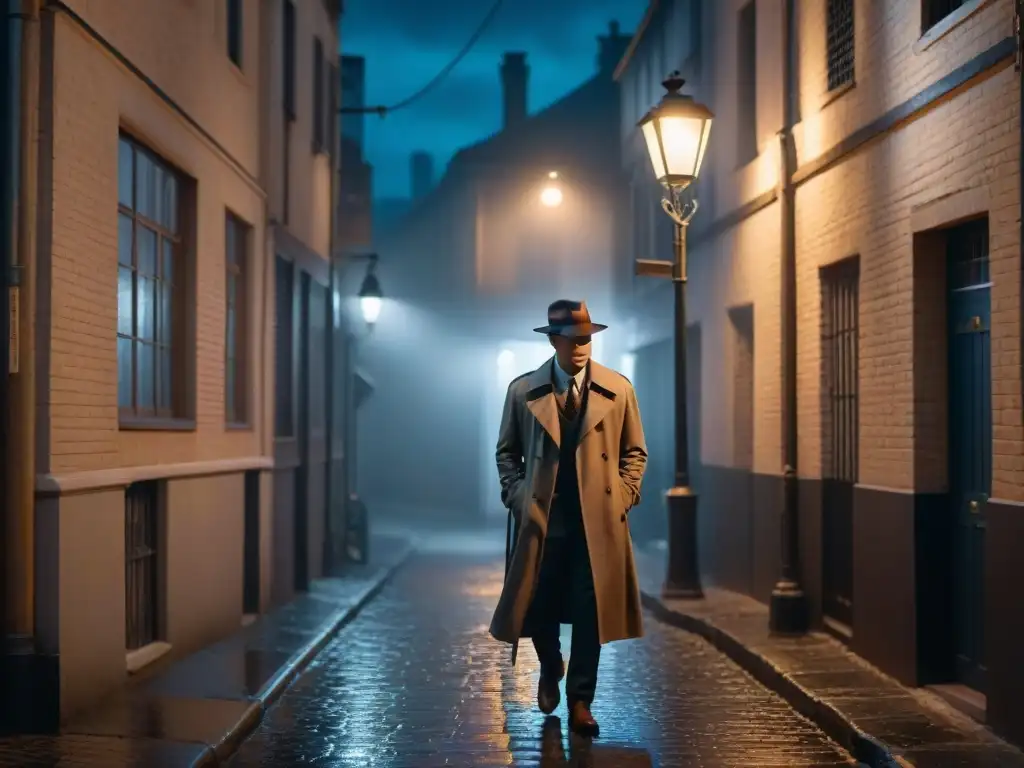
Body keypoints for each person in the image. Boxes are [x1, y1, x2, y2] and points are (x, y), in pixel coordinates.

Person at [489, 299, 648, 737]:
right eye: (572, 339)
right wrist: (518, 496)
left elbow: (635, 453)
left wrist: (623, 496)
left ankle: (581, 700)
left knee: (590, 610)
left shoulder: (619, 390)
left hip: (596, 521)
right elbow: (507, 453)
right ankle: (548, 664)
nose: (580, 346)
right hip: (543, 516)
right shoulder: (523, 391)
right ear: (553, 340)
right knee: (536, 600)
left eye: (586, 338)